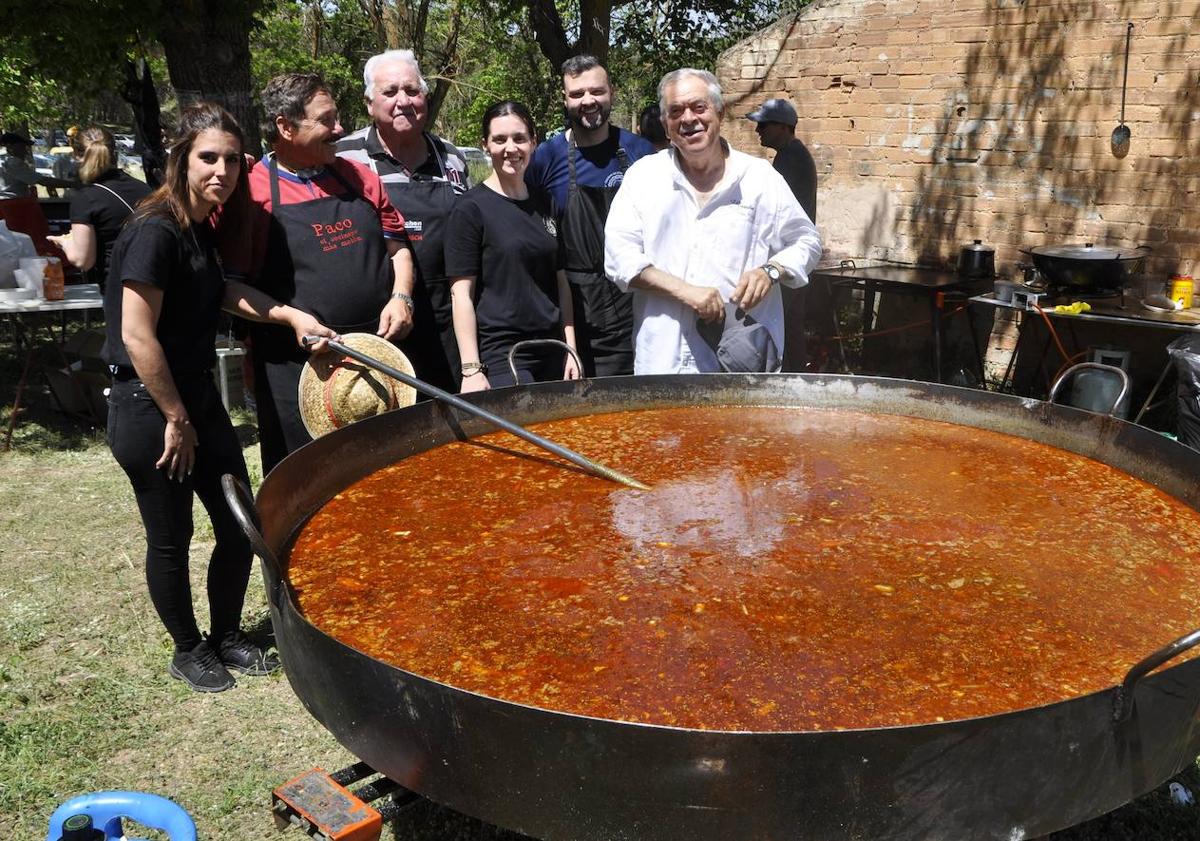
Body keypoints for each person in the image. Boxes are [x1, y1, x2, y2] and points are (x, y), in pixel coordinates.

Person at [102, 102, 337, 692]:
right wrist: (176, 418)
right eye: (209, 157)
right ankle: (188, 649)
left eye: (232, 160)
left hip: (196, 400)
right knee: (171, 537)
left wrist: (286, 314)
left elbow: (222, 290)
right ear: (181, 157)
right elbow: (137, 334)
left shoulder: (198, 226)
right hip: (152, 408)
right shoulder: (154, 229)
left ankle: (227, 636)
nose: (222, 171)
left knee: (238, 524)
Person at [229, 73, 415, 473]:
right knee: (310, 484)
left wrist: (402, 296)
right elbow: (228, 288)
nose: (340, 128)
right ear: (285, 127)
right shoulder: (252, 193)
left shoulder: (357, 176)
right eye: (326, 120)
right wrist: (291, 317)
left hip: (376, 360)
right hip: (296, 371)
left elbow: (398, 245)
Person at [604, 69, 822, 375]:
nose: (688, 118)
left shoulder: (758, 178)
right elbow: (619, 258)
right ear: (666, 126)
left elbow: (807, 241)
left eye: (699, 107)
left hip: (739, 364)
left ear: (719, 112)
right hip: (664, 362)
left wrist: (770, 271)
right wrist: (686, 291)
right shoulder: (643, 178)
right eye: (676, 111)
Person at [337, 49, 469, 393]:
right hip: (379, 324)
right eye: (390, 91)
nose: (403, 101)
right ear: (369, 103)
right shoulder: (343, 157)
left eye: (412, 91)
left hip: (446, 324)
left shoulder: (451, 157)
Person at [525, 55, 656, 377]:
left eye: (596, 91)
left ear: (611, 91)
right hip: (575, 311)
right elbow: (529, 228)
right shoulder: (546, 158)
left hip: (636, 303)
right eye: (577, 94)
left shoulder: (641, 153)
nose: (588, 101)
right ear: (565, 98)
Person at [445, 101, 580, 391]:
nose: (511, 148)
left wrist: (571, 348)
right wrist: (471, 369)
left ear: (533, 142)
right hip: (504, 354)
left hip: (553, 348)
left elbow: (561, 282)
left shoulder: (546, 203)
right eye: (500, 139)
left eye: (519, 138)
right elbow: (461, 294)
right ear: (485, 145)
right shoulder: (470, 210)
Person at [747, 97, 819, 371]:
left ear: (784, 127)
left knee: (786, 333)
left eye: (764, 125)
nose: (758, 131)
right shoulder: (789, 155)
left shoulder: (792, 159)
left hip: (785, 260)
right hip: (783, 259)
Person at [48, 126, 153, 288]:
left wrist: (64, 243)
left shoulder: (86, 198)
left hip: (118, 285)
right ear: (115, 154)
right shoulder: (145, 189)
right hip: (154, 281)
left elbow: (82, 260)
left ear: (76, 155)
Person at [0, 132, 78, 198]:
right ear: (10, 147)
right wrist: (77, 185)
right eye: (22, 147)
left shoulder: (3, 160)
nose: (25, 152)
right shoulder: (12, 162)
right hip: (11, 205)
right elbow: (44, 181)